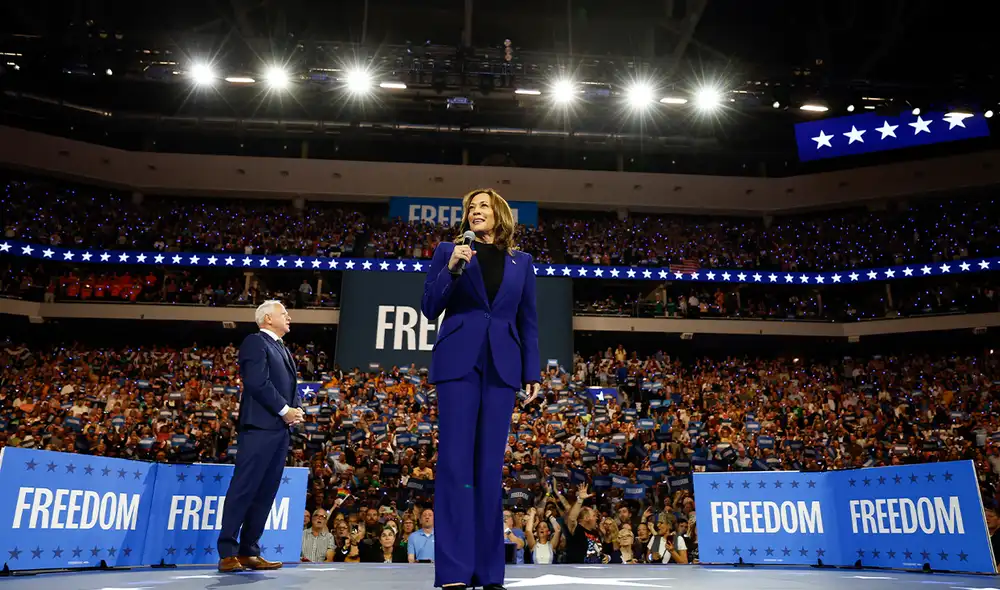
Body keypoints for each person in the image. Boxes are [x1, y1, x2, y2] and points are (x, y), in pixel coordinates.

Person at [421, 188, 542, 590]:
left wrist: (532, 373)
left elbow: (528, 321)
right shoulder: (448, 251)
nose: (475, 212)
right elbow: (429, 306)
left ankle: (489, 573)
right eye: (470, 208)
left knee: (489, 470)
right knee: (456, 465)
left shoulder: (522, 262)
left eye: (483, 207)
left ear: (500, 215)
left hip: (502, 367)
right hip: (459, 363)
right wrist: (452, 269)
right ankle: (455, 571)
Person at [217, 300, 304, 573]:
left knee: (266, 492)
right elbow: (257, 382)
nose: (289, 317)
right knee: (244, 488)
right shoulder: (255, 342)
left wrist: (296, 408)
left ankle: (249, 551)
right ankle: (228, 552)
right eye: (283, 313)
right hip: (259, 429)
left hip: (279, 431)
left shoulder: (282, 347)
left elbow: (288, 385)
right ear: (267, 318)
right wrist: (284, 410)